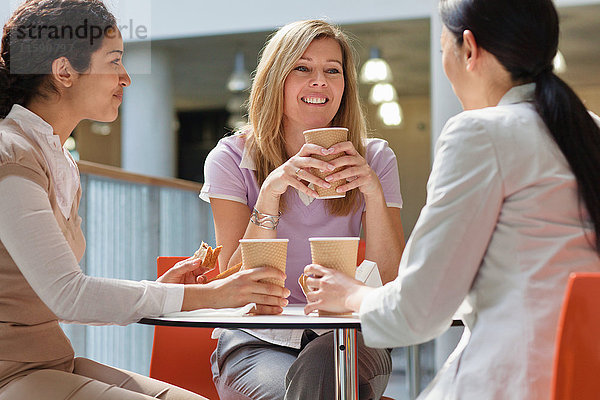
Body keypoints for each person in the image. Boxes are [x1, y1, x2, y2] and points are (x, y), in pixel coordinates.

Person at [303, 0, 600, 398]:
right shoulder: (589, 130)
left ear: (469, 49)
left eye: (443, 47)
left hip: (515, 378)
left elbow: (416, 313)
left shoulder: (479, 133)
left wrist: (350, 293)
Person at [0, 1, 289, 399]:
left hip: (51, 361)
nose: (126, 77)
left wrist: (161, 291)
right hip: (11, 375)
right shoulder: (12, 153)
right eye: (114, 61)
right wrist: (209, 296)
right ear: (64, 71)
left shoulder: (58, 159)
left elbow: (64, 294)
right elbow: (68, 294)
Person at [200, 19, 405, 399]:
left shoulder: (375, 158)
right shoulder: (230, 159)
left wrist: (372, 192)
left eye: (332, 70)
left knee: (325, 364)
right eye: (302, 68)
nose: (320, 81)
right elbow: (235, 285)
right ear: (276, 79)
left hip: (349, 338)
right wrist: (270, 193)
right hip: (255, 341)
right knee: (315, 387)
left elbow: (391, 283)